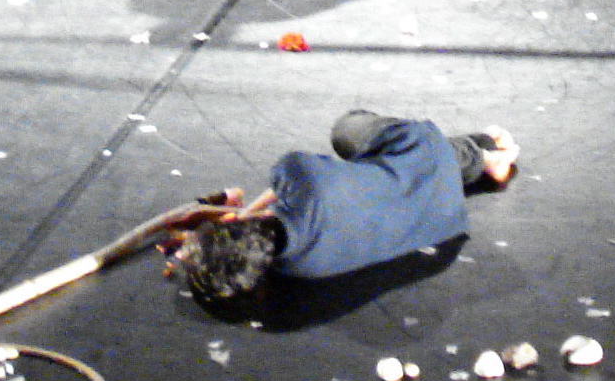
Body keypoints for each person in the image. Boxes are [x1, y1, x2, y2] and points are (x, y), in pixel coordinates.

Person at [166, 111, 519, 300]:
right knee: (349, 130)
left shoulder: (302, 270)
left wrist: (212, 258)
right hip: (426, 163)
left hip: (442, 221)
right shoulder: (304, 179)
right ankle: (480, 150)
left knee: (399, 173)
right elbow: (277, 192)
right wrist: (237, 217)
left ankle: (483, 156)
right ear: (235, 222)